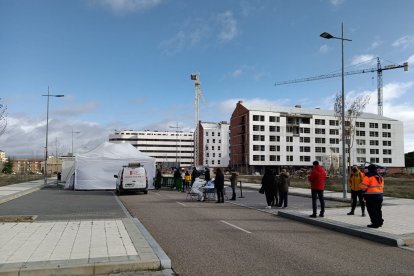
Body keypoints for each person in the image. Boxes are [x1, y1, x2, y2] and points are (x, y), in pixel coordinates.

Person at [361, 164, 384, 228]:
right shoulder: (380, 176)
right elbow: (382, 186)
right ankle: (380, 222)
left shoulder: (367, 176)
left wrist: (363, 193)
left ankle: (375, 224)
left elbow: (363, 187)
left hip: (371, 197)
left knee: (372, 210)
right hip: (380, 196)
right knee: (378, 210)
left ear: (369, 169)